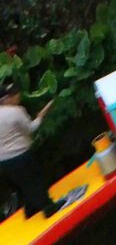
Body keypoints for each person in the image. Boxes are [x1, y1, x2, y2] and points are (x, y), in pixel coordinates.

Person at [0, 83, 68, 218]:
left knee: (22, 184)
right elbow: (31, 129)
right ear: (6, 99)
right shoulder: (15, 111)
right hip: (20, 155)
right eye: (15, 95)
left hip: (3, 161)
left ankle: (30, 210)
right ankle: (49, 208)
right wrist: (41, 116)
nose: (18, 97)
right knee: (35, 180)